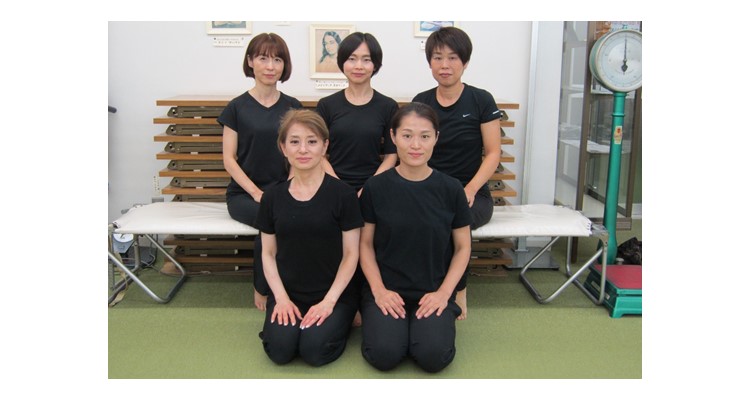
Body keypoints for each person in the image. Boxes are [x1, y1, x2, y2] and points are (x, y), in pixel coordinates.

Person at [358, 102, 472, 373]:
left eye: (425, 136)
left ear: (436, 138)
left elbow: (462, 248)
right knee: (384, 355)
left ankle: (424, 329)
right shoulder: (375, 187)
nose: (416, 145)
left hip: (433, 289)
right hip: (387, 289)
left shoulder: (451, 189)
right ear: (393, 137)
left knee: (433, 357)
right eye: (407, 135)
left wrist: (444, 293)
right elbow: (365, 244)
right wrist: (379, 291)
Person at [256, 109, 363, 366]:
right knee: (280, 351)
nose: (303, 149)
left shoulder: (343, 195)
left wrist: (329, 302)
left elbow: (351, 254)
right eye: (294, 141)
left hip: (334, 293)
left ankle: (344, 319)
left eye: (312, 141)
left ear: (325, 146)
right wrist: (281, 298)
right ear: (283, 147)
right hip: (289, 292)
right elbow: (268, 253)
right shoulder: (272, 197)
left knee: (314, 351)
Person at [412, 26, 503, 320]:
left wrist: (470, 189)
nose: (445, 65)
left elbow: (493, 153)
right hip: (430, 189)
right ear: (429, 63)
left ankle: (458, 289)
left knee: (450, 219)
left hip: (472, 192)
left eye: (452, 57)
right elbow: (415, 149)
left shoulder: (481, 100)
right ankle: (417, 285)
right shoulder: (422, 101)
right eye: (437, 57)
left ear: (465, 62)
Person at [316, 32, 399, 327]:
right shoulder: (327, 105)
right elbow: (319, 152)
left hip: (375, 187)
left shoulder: (387, 106)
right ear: (342, 63)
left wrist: (368, 187)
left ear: (375, 64)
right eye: (352, 59)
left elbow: (391, 155)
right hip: (333, 185)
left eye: (366, 59)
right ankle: (341, 301)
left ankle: (370, 299)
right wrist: (340, 187)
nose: (359, 66)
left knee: (373, 240)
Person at [218, 33, 303, 312]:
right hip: (244, 195)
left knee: (298, 219)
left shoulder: (293, 106)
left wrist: (288, 189)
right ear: (250, 62)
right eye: (263, 58)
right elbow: (229, 159)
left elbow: (298, 154)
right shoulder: (236, 108)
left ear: (284, 65)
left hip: (284, 190)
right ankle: (262, 287)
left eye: (277, 59)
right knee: (272, 221)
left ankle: (300, 285)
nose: (270, 66)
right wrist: (257, 193)